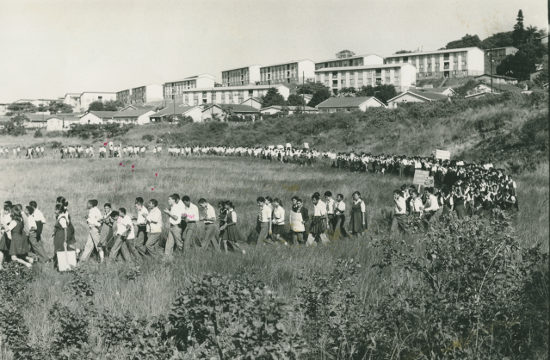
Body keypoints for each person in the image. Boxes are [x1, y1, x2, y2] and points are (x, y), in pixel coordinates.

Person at [52, 202, 76, 270]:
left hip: (61, 237)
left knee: (61, 250)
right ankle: (59, 265)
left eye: (56, 209)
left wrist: (65, 240)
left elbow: (65, 229)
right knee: (59, 250)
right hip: (59, 236)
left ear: (59, 210)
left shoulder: (62, 218)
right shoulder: (60, 217)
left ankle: (62, 266)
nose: (55, 211)